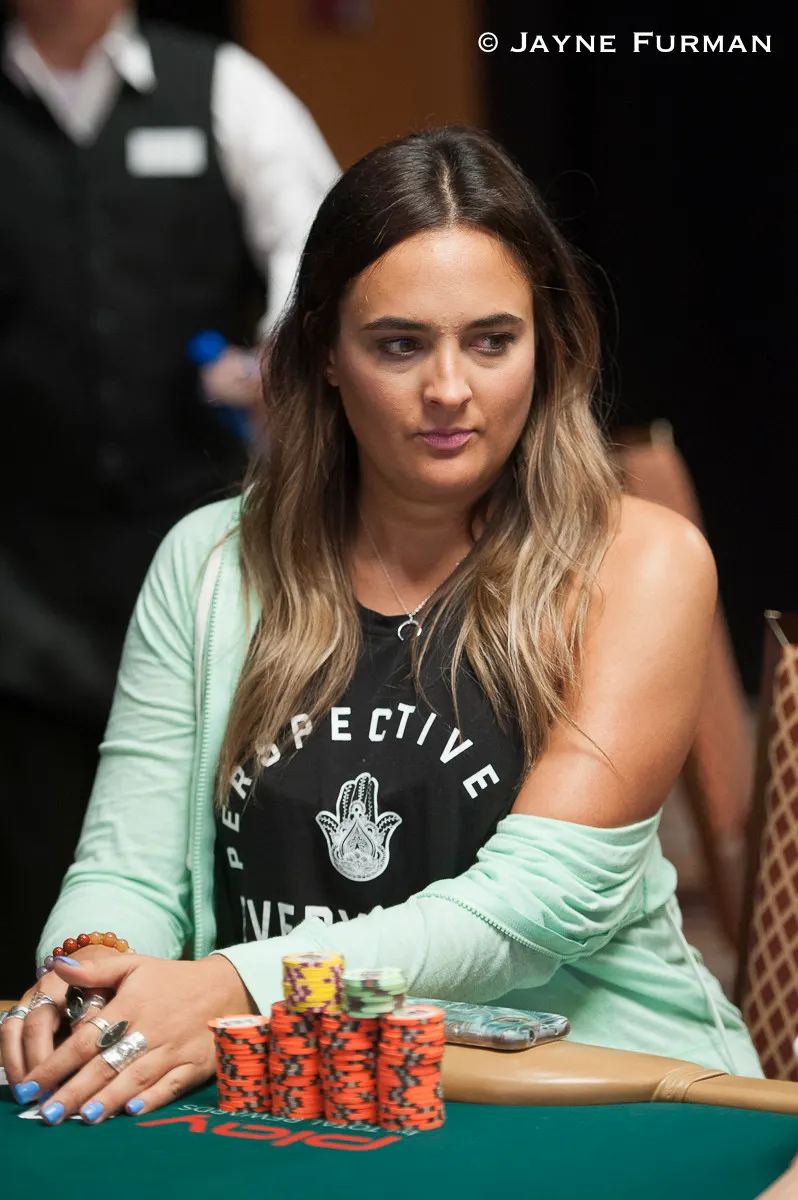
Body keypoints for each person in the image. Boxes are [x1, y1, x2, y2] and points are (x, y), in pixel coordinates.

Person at [0, 125, 763, 1126]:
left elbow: (530, 910)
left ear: (546, 344)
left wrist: (235, 986)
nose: (449, 388)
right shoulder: (208, 560)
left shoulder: (640, 561)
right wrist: (92, 973)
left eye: (492, 341)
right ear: (323, 352)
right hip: (288, 1095)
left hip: (597, 1091)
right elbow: (126, 868)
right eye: (400, 344)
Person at [0, 0, 339, 997]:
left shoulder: (221, 86)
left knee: (216, 821)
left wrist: (279, 352)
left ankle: (203, 1020)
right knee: (31, 832)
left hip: (199, 537)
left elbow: (323, 246)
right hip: (19, 558)